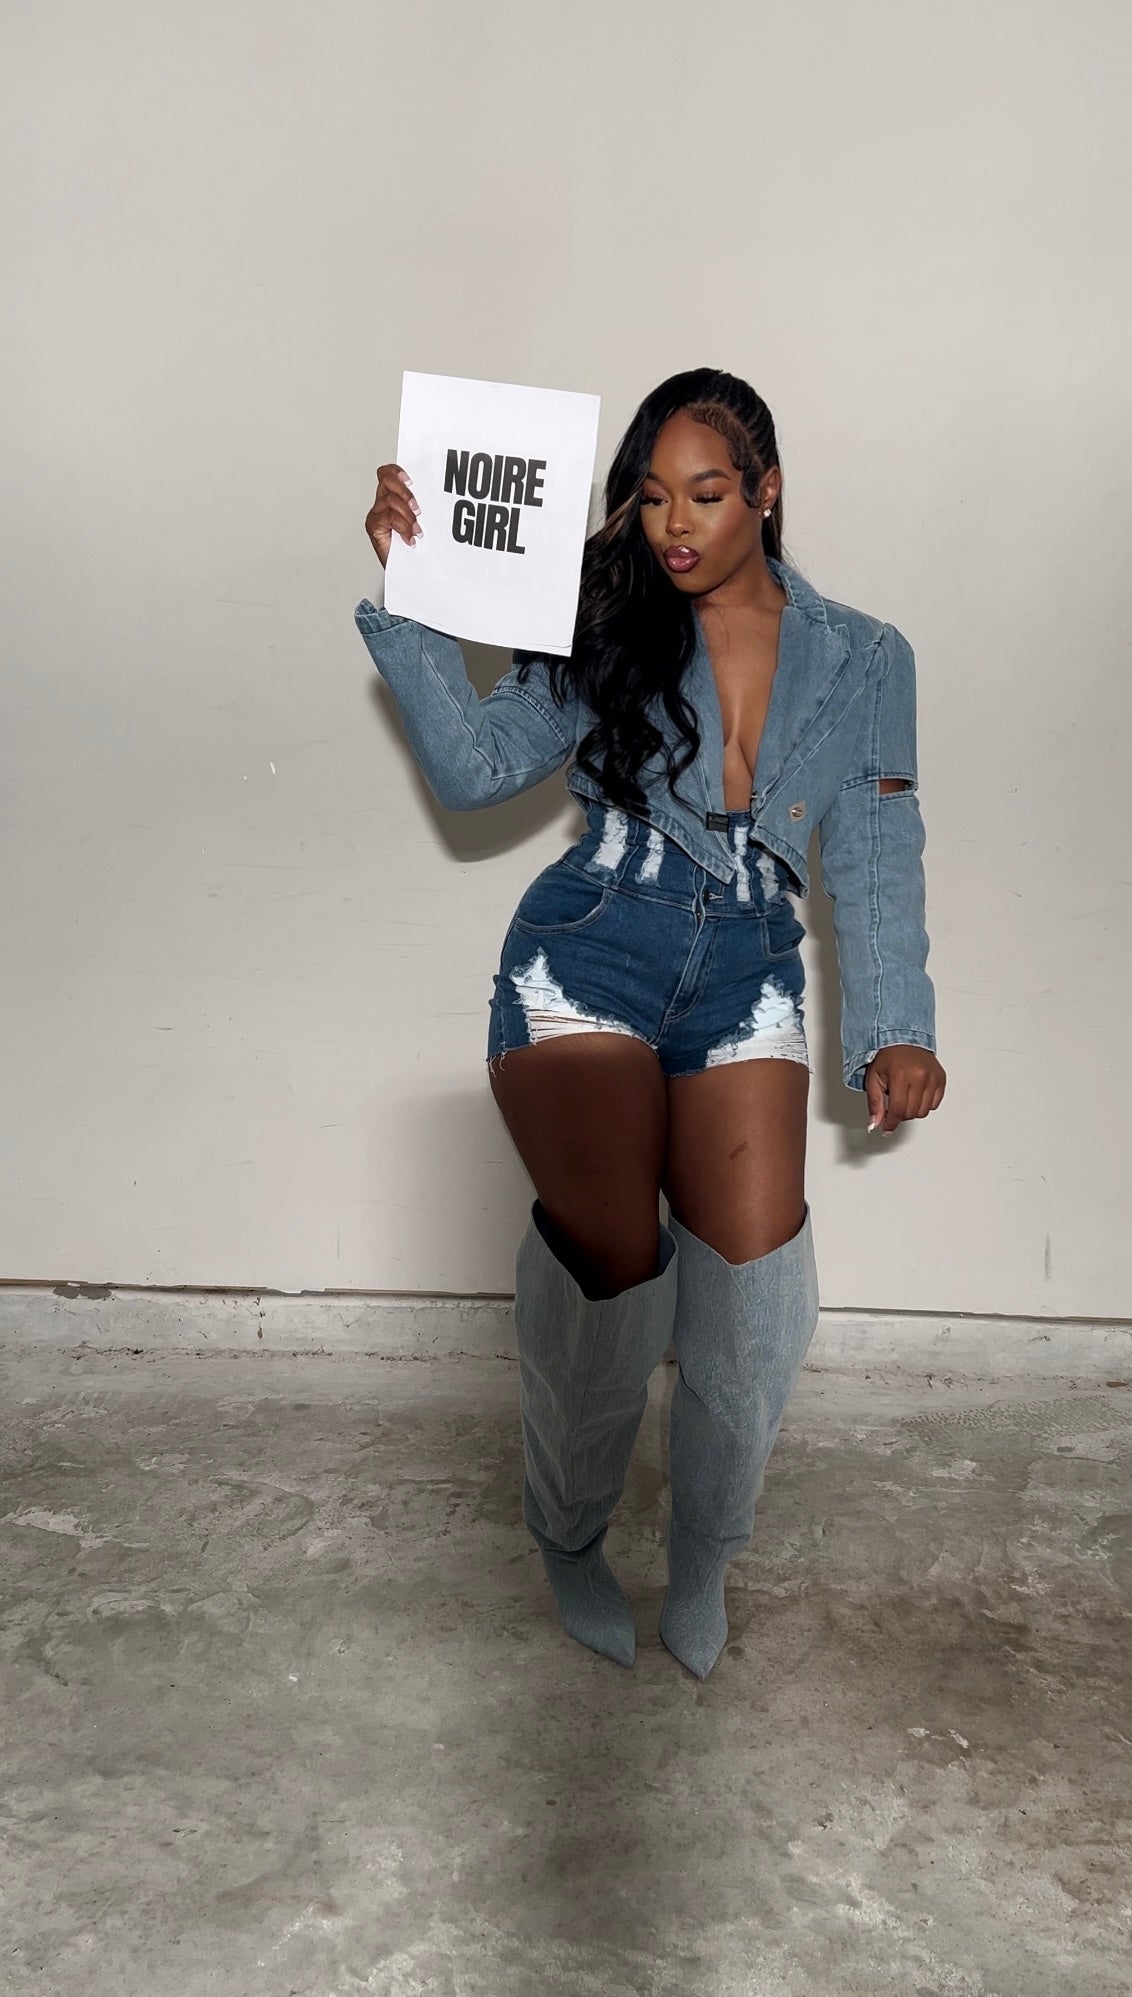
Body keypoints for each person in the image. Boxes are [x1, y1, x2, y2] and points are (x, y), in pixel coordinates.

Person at [355, 367, 946, 1680]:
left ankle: (706, 1551)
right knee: (613, 1259)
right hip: (589, 953)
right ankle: (569, 1529)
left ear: (767, 492)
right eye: (655, 494)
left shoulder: (866, 659)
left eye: (708, 493)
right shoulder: (608, 621)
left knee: (755, 1287)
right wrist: (413, 596)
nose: (676, 523)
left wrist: (895, 1024)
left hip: (750, 968)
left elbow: (878, 846)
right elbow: (474, 770)